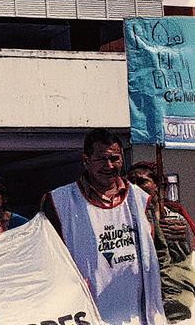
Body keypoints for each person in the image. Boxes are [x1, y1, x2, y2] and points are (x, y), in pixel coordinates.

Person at [41, 128, 165, 325]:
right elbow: (46, 263)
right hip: (88, 315)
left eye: (114, 158)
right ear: (86, 160)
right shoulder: (58, 202)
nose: (109, 165)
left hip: (139, 317)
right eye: (101, 159)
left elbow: (162, 256)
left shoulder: (141, 200)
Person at [128, 161, 195, 323]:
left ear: (157, 186)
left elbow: (185, 257)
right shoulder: (125, 217)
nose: (135, 186)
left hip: (172, 289)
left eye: (142, 181)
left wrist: (179, 237)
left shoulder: (175, 218)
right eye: (131, 181)